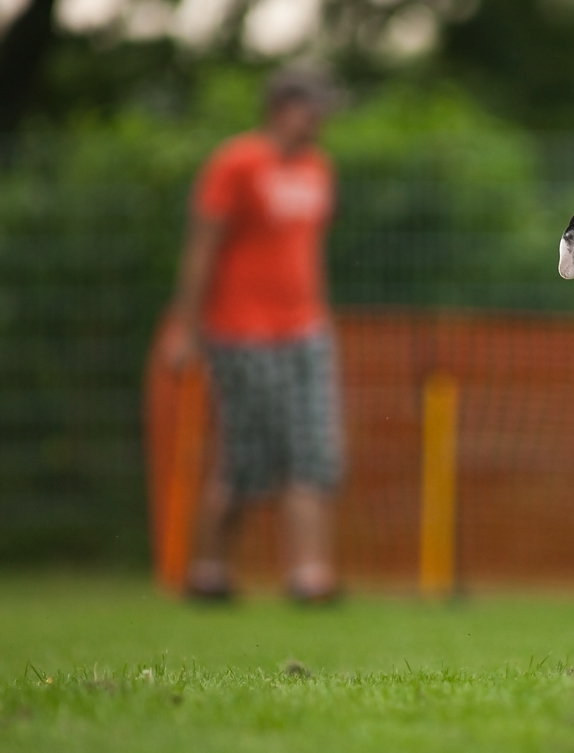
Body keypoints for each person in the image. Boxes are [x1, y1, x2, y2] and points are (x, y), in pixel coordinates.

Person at [164, 66, 343, 603]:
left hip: (306, 330)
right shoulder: (236, 162)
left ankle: (310, 576)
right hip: (240, 332)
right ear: (284, 108)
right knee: (248, 457)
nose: (320, 119)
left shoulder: (317, 167)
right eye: (312, 108)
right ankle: (209, 570)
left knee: (313, 447)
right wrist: (183, 327)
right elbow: (202, 249)